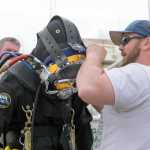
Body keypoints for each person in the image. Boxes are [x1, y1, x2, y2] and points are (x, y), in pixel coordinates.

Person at [0, 15, 93, 150]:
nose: (67, 81)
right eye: (64, 70)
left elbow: (83, 132)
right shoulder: (14, 83)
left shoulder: (72, 89)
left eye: (74, 70)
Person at [76, 20, 150, 150]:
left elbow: (88, 89)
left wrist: (93, 55)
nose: (120, 47)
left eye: (126, 40)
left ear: (147, 43)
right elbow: (109, 108)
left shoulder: (139, 72)